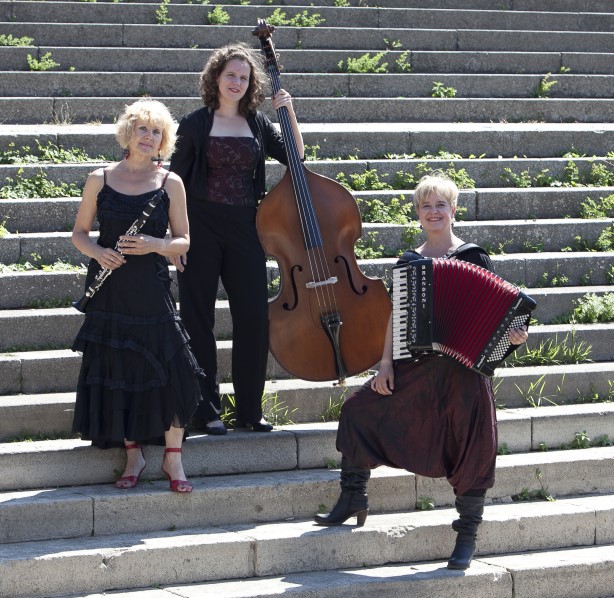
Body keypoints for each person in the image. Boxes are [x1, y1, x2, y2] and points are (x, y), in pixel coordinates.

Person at [313, 173, 529, 570]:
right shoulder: (410, 262)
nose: (433, 212)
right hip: (419, 367)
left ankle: (466, 536)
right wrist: (384, 365)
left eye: (440, 205)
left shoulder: (474, 257)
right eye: (426, 206)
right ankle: (352, 496)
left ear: (453, 210)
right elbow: (396, 317)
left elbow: (499, 313)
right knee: (359, 410)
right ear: (418, 213)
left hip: (465, 372)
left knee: (472, 448)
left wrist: (512, 338)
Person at [169, 42, 304, 435]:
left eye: (244, 78)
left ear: (251, 84)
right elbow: (173, 183)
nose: (237, 82)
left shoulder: (258, 123)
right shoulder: (195, 123)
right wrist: (174, 236)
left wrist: (288, 110)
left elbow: (296, 155)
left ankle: (249, 409)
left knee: (254, 318)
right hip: (200, 226)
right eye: (231, 75)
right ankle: (205, 409)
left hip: (247, 227)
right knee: (197, 317)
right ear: (216, 77)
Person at [71, 99, 203, 493]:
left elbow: (184, 239)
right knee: (120, 370)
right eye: (142, 128)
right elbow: (79, 233)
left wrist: (154, 243)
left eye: (156, 131)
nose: (149, 137)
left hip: (151, 287)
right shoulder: (99, 178)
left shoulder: (170, 183)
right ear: (128, 132)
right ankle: (133, 456)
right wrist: (96, 251)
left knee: (174, 369)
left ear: (165, 140)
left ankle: (172, 460)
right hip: (110, 288)